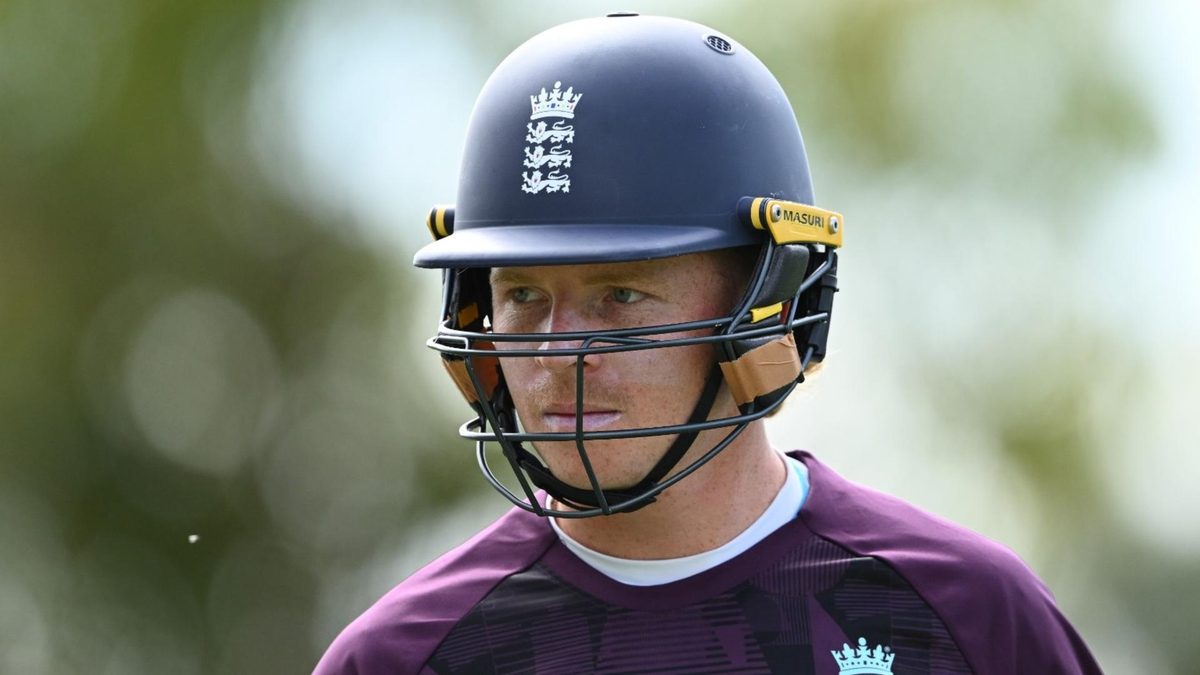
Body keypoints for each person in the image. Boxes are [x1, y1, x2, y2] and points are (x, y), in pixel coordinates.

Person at [314, 14, 1101, 674]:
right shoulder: (400, 658)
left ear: (769, 300)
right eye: (522, 296)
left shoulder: (971, 619)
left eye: (619, 295)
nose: (557, 353)